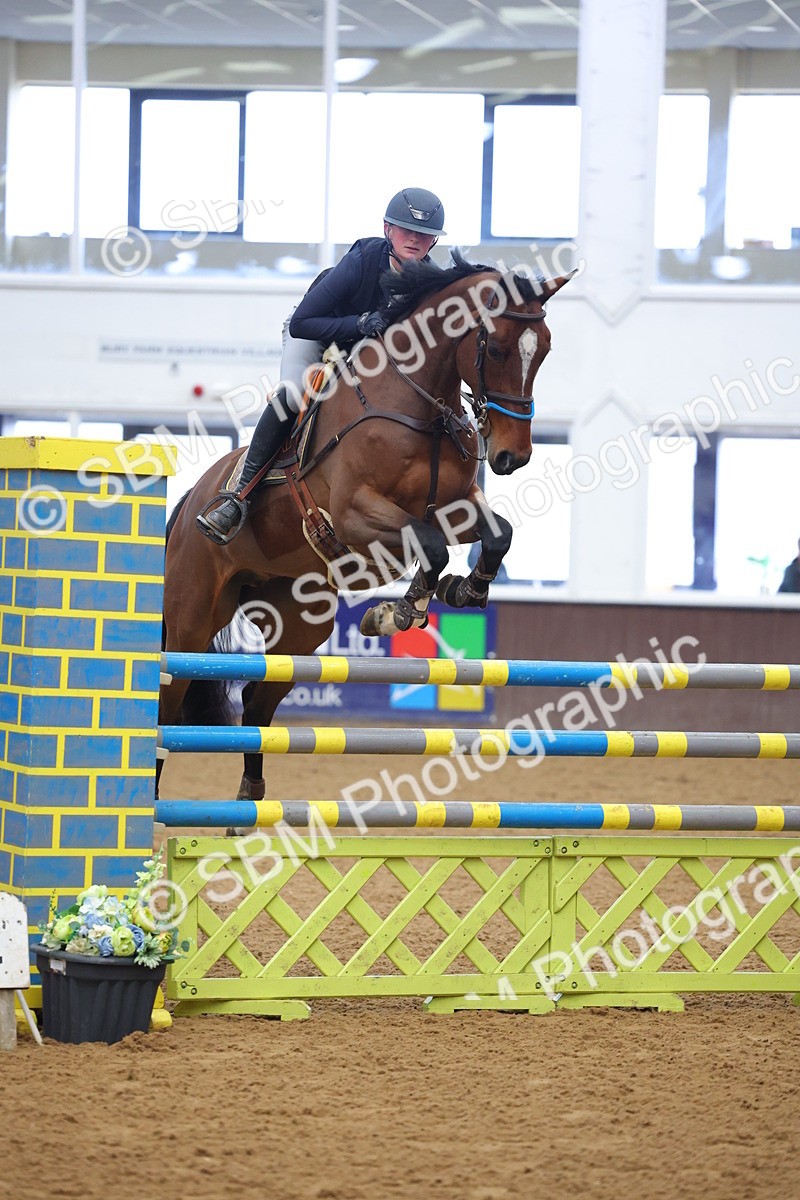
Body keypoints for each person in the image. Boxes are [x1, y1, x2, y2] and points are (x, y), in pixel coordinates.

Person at [196, 187, 446, 543]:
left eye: (425, 234)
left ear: (434, 242)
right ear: (388, 229)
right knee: (294, 395)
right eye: (406, 229)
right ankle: (237, 497)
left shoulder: (430, 285)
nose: (415, 239)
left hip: (363, 356)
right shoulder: (362, 259)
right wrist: (358, 323)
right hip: (317, 335)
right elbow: (303, 323)